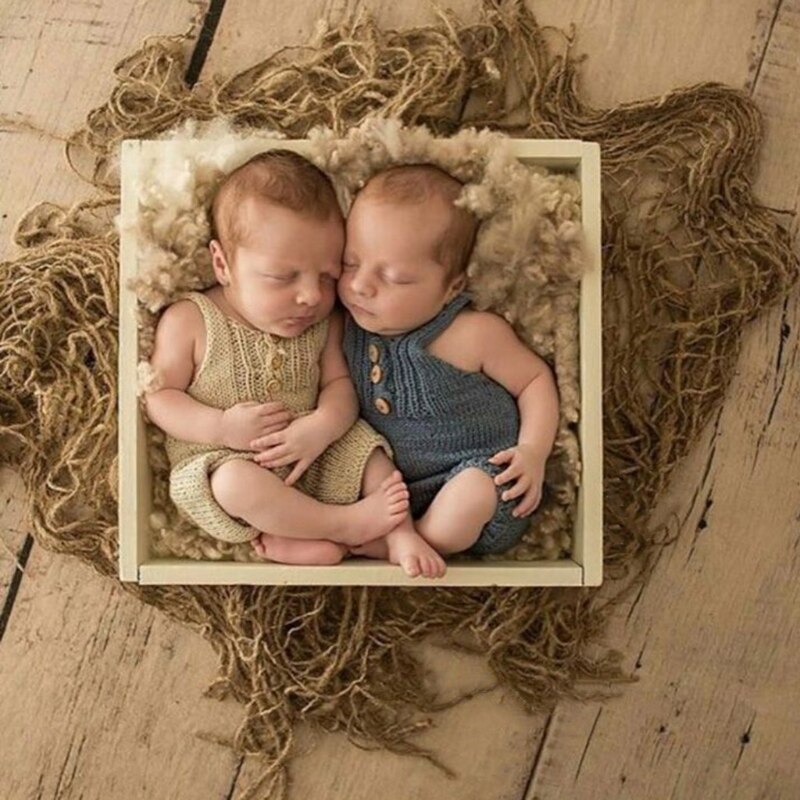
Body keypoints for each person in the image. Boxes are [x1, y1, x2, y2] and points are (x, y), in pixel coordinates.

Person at [145, 149, 434, 570]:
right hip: (224, 459)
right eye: (283, 277)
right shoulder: (190, 319)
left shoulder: (323, 323)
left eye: (327, 276)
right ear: (223, 264)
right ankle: (341, 527)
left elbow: (339, 388)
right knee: (236, 485)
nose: (312, 296)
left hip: (311, 451)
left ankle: (399, 535)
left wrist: (321, 426)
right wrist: (222, 427)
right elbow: (160, 397)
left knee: (370, 454)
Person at [339, 164, 561, 561]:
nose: (360, 285)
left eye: (395, 277)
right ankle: (385, 534)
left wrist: (532, 451)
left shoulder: (472, 333)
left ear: (451, 287)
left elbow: (534, 381)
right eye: (350, 262)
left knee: (470, 494)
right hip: (392, 492)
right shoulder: (343, 331)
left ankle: (399, 544)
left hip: (484, 481)